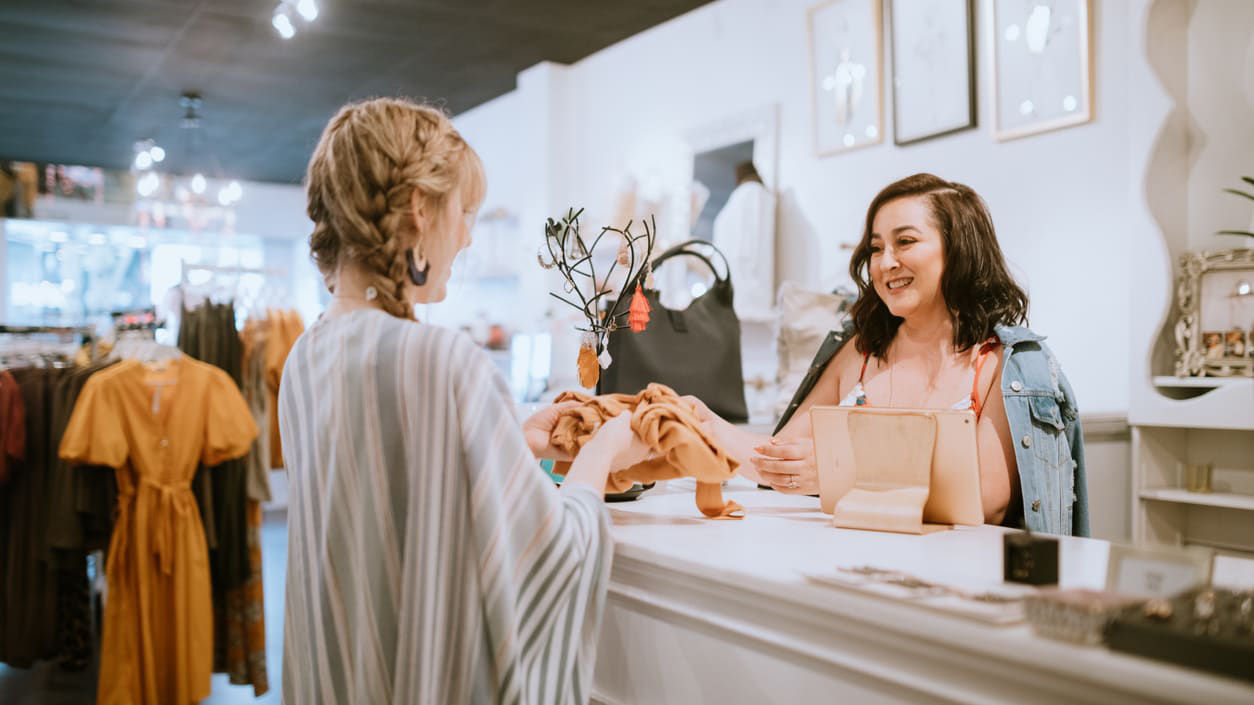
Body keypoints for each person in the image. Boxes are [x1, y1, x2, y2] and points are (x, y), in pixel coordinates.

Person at [279, 97, 650, 704]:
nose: (469, 235)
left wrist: (515, 442)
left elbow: (388, 514)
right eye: (465, 210)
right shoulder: (442, 362)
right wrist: (603, 450)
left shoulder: (306, 357)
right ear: (421, 210)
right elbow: (551, 555)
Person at [694, 173, 1088, 536]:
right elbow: (777, 461)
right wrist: (699, 421)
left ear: (959, 250)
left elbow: (987, 499)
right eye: (876, 247)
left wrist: (839, 474)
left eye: (906, 241)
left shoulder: (1006, 364)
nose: (885, 263)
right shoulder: (858, 351)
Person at [711, 160, 776, 317]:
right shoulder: (750, 195)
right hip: (742, 280)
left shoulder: (752, 193)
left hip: (746, 280)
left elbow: (751, 236)